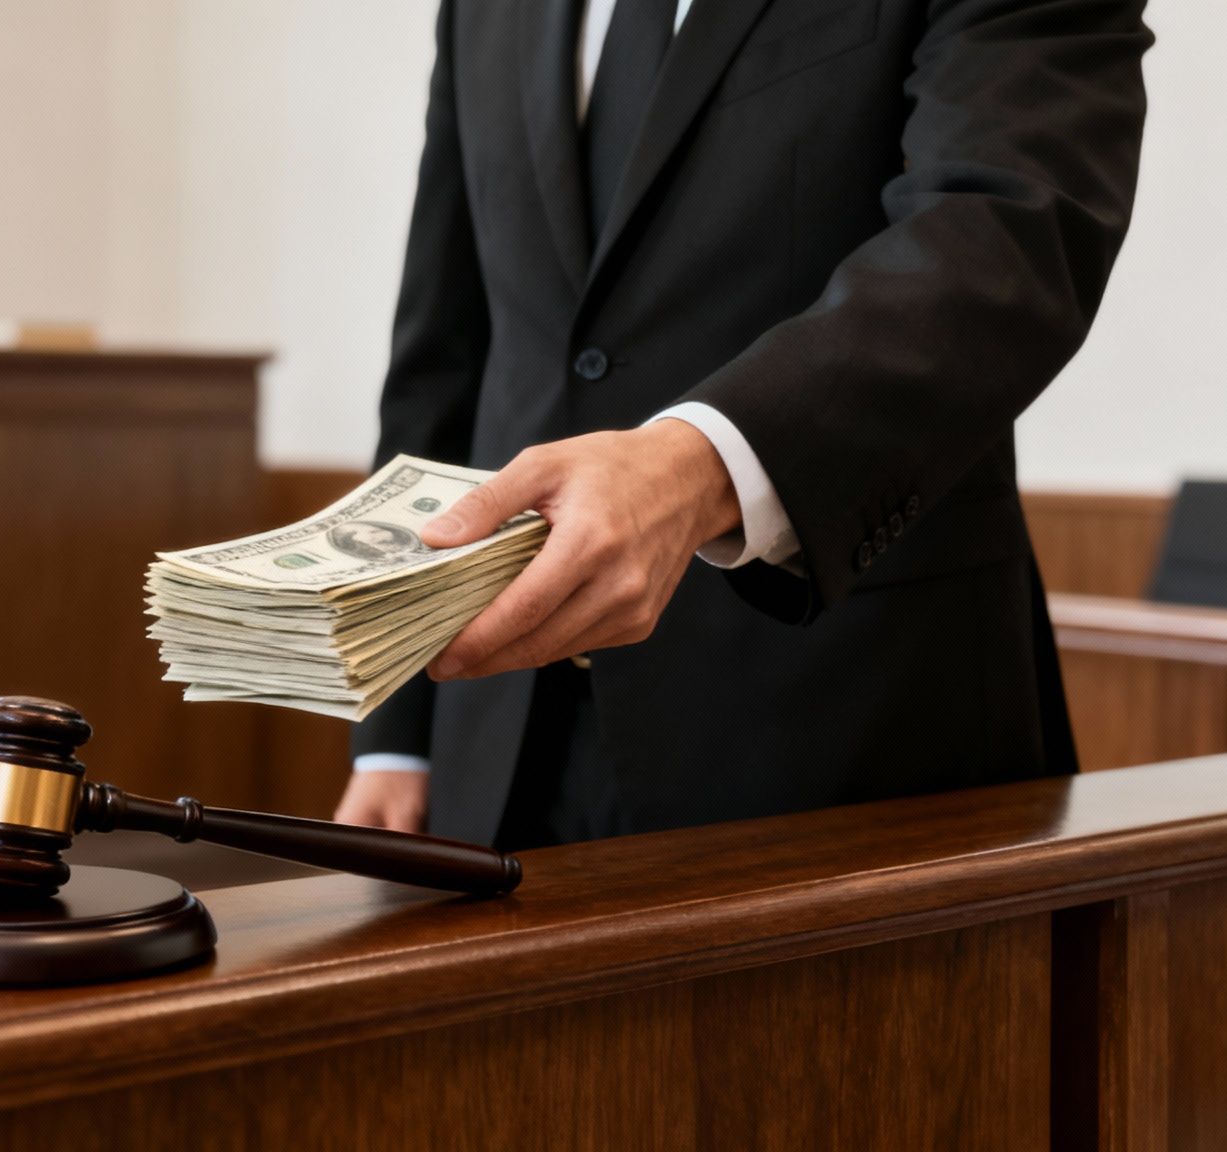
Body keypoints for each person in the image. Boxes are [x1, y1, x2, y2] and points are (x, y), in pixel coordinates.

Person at [333, 0, 1152, 849]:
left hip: (845, 728)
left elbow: (1006, 236)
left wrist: (699, 467)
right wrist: (398, 737)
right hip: (496, 748)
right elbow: (448, 347)